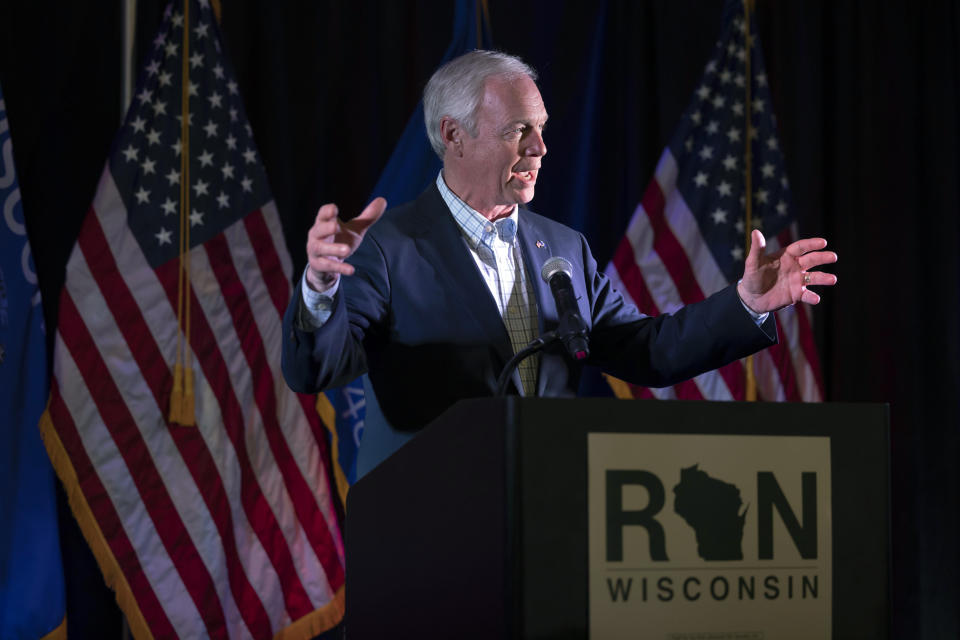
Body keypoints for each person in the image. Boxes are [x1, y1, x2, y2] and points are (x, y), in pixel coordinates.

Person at [281, 50, 838, 478]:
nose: (541, 148)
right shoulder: (387, 246)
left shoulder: (563, 246)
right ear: (454, 134)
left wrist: (746, 305)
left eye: (541, 127)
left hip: (546, 512)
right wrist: (320, 286)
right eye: (519, 130)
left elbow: (648, 350)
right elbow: (316, 371)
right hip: (428, 523)